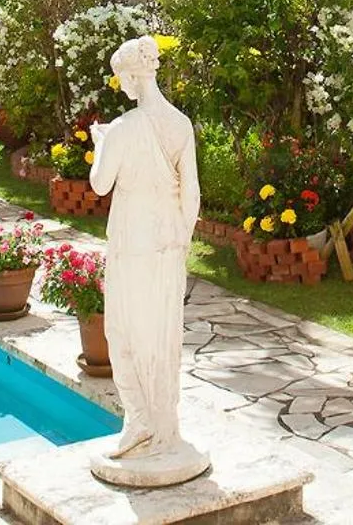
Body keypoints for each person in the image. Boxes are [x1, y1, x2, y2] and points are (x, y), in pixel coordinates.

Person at [87, 35, 208, 486]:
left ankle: (141, 421)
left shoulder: (121, 129)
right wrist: (181, 241)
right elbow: (191, 193)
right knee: (161, 334)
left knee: (124, 332)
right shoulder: (180, 123)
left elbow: (100, 184)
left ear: (135, 76)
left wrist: (101, 143)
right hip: (167, 241)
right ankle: (163, 428)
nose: (120, 87)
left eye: (121, 78)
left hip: (133, 241)